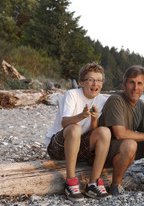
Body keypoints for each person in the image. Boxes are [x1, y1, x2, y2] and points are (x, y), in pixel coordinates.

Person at [45, 63, 111, 202]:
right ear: (81, 82)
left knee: (104, 132)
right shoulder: (72, 94)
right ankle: (70, 182)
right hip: (58, 146)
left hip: (80, 147)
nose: (95, 84)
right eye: (91, 80)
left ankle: (93, 184)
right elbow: (65, 123)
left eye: (99, 80)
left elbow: (93, 132)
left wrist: (93, 119)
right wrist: (82, 116)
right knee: (75, 128)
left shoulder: (102, 100)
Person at [98, 65, 144, 196]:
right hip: (102, 151)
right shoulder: (116, 100)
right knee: (131, 144)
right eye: (132, 83)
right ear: (124, 84)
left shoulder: (140, 104)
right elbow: (119, 133)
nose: (136, 88)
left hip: (119, 150)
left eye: (139, 83)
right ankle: (115, 185)